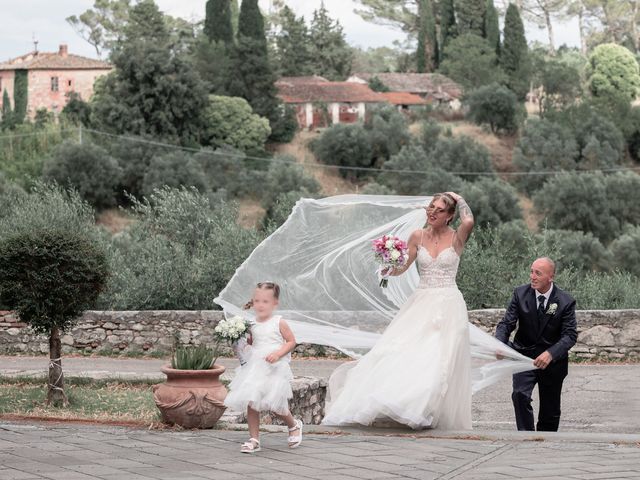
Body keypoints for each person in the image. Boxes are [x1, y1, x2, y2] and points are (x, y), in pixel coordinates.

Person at [322, 192, 476, 429]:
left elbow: (469, 221)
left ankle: (425, 411)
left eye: (439, 210)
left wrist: (460, 198)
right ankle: (397, 402)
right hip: (421, 302)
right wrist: (388, 268)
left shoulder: (457, 237)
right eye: (430, 207)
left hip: (448, 305)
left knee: (439, 360)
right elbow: (403, 267)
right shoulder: (418, 236)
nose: (432, 212)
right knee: (405, 351)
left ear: (450, 215)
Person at [495, 258, 577, 432]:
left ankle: (544, 447)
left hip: (552, 363)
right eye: (531, 271)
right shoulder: (520, 294)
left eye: (538, 273)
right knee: (520, 395)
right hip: (523, 356)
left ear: (551, 276)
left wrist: (551, 353)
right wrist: (499, 343)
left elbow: (570, 335)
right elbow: (506, 323)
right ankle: (526, 438)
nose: (532, 276)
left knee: (550, 411)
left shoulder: (565, 301)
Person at [224, 282, 303, 453]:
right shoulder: (250, 323)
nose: (260, 305)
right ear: (253, 302)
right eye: (257, 301)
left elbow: (291, 341)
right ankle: (254, 439)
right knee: (252, 401)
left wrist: (278, 354)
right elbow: (252, 343)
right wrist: (241, 346)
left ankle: (293, 424)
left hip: (274, 366)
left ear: (275, 303)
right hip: (255, 366)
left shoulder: (279, 322)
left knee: (276, 403)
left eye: (265, 301)